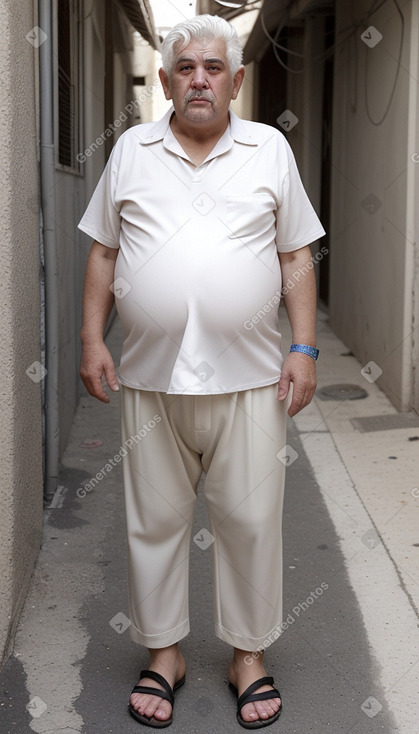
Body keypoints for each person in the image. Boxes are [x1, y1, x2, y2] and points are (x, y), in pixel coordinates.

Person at [78, 14, 325, 730]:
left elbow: (294, 254)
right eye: (184, 67)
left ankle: (247, 654)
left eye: (213, 69)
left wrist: (303, 348)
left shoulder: (268, 149)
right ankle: (165, 653)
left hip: (249, 377)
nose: (198, 80)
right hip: (150, 377)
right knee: (153, 521)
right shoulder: (130, 150)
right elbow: (103, 252)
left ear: (236, 80)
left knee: (249, 519)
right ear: (163, 80)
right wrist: (93, 339)